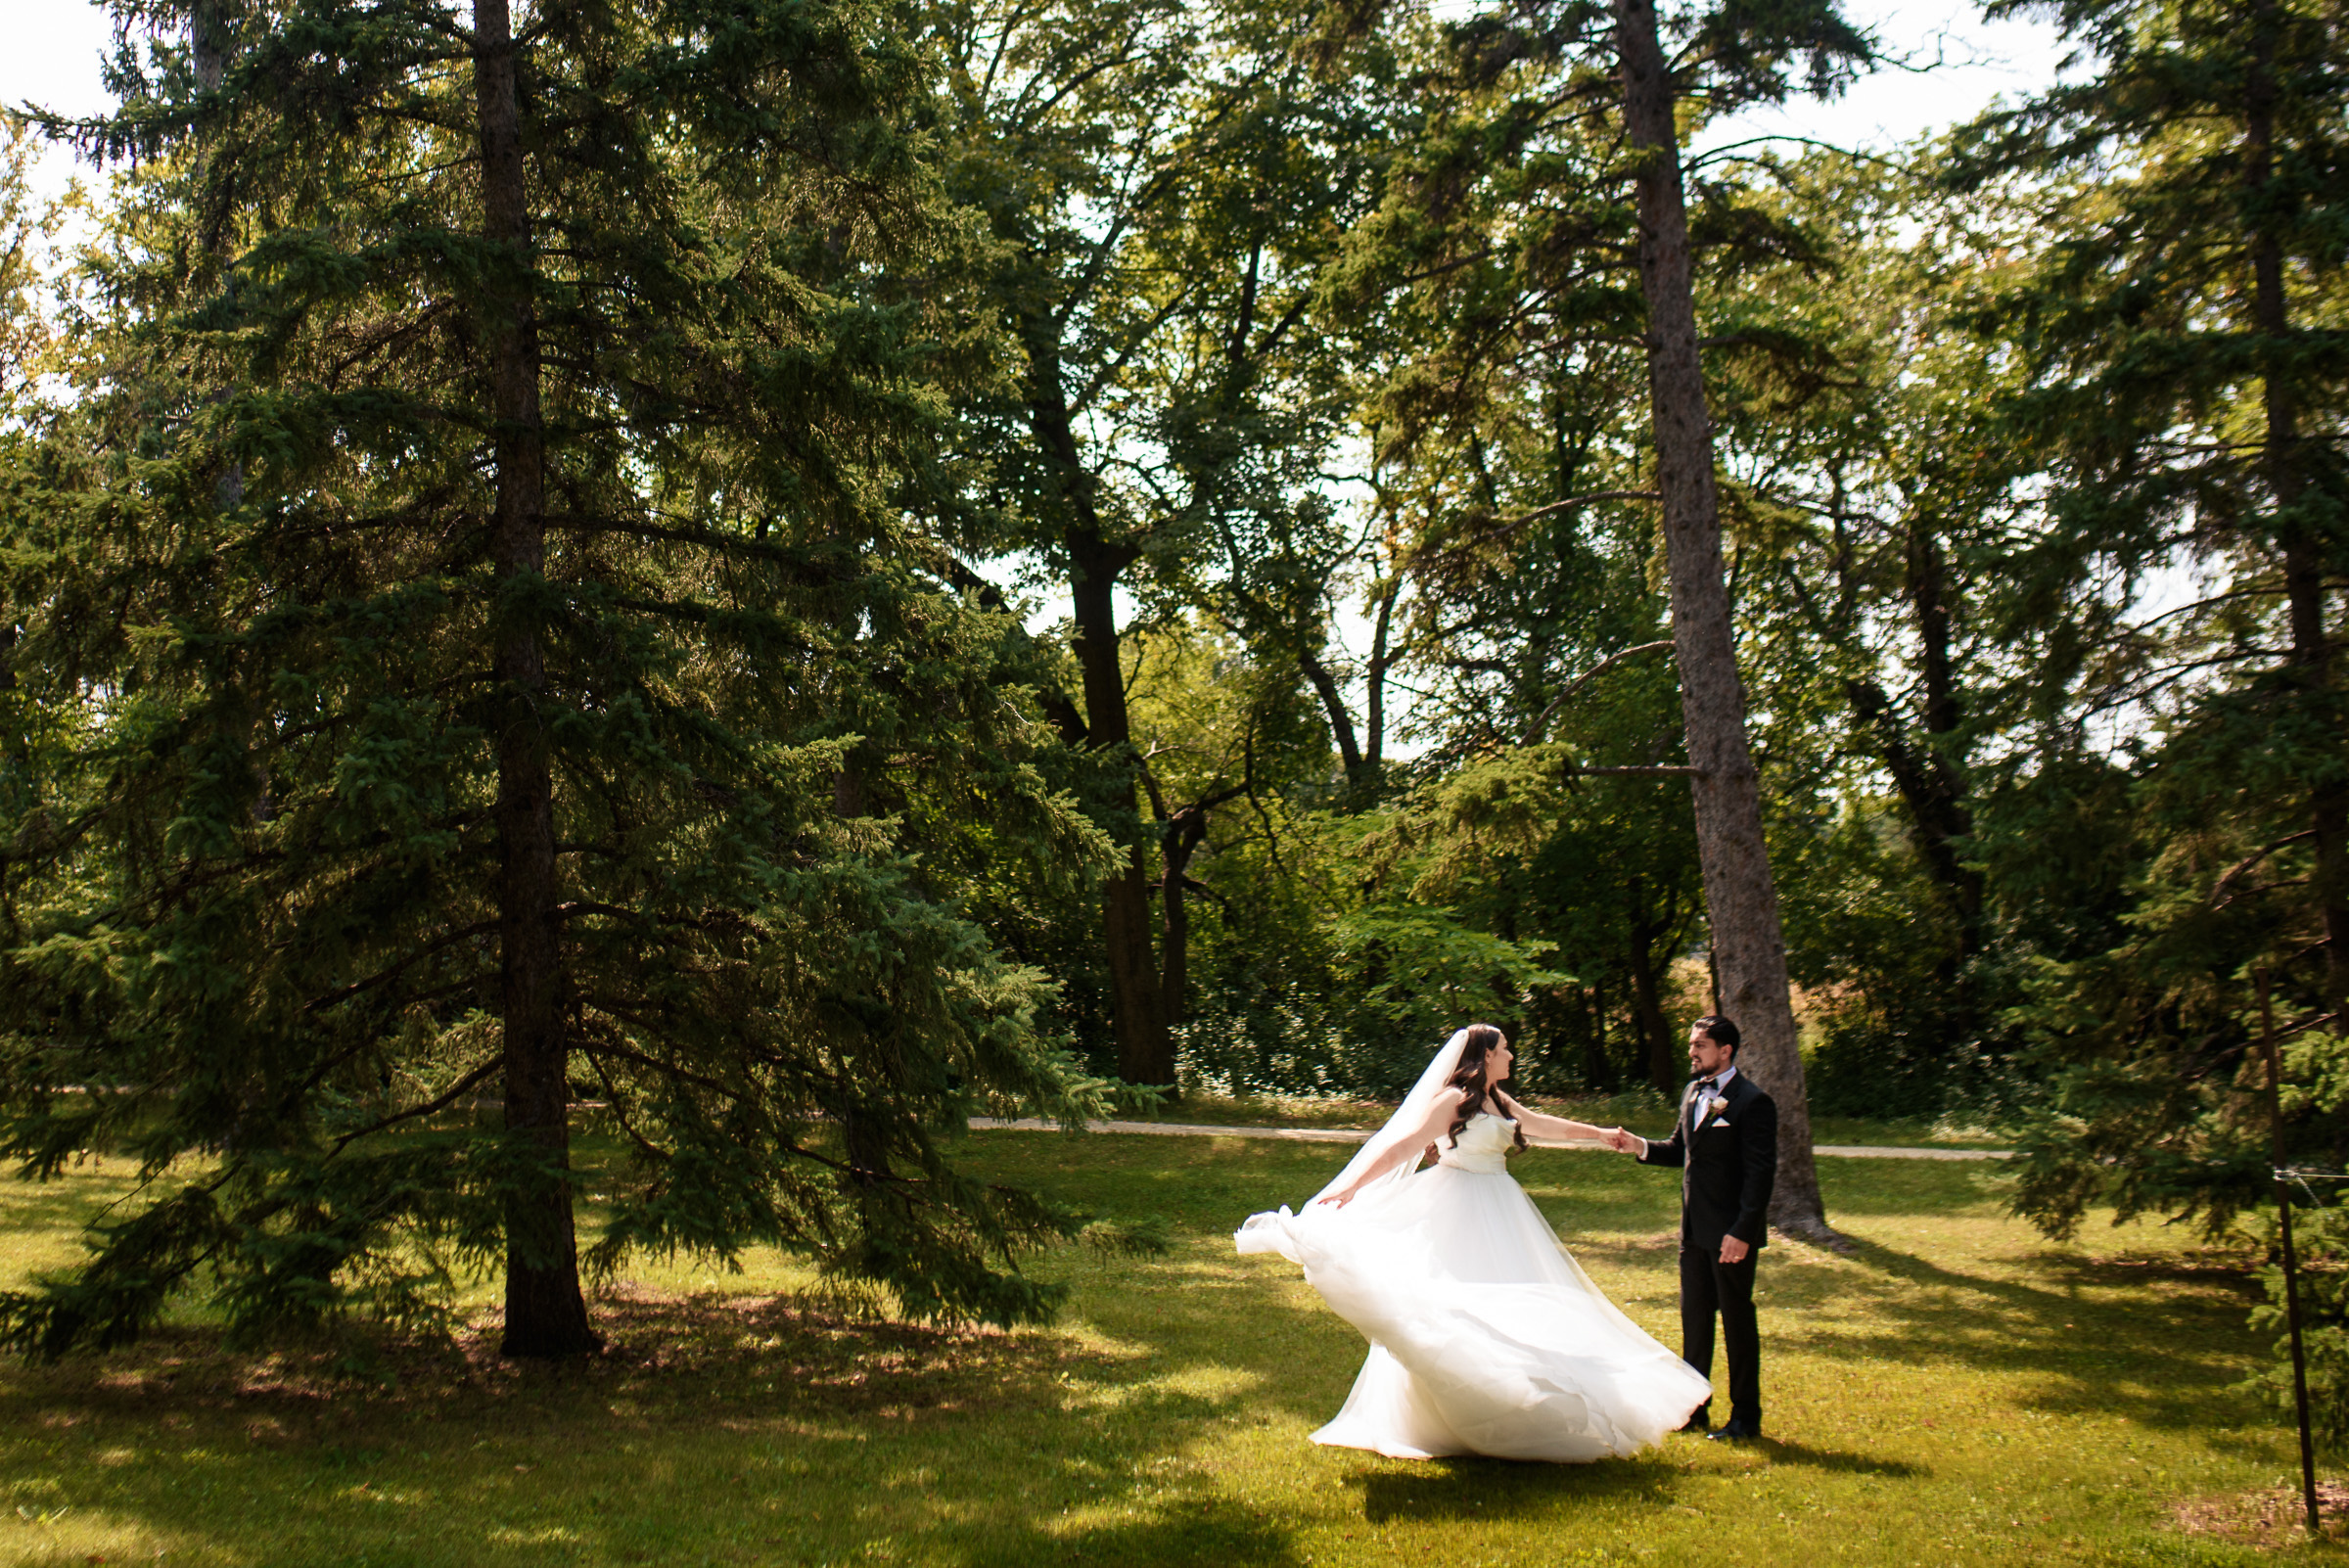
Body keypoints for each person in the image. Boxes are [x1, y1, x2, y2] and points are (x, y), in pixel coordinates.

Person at [1234, 1024, 1711, 1462]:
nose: (1510, 1057)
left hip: (1501, 1207)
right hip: (1456, 1204)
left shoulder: (1501, 1102)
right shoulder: (1451, 1101)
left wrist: (1602, 1135)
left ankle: (1517, 1405)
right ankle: (1447, 1413)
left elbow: (1549, 1126)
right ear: (1483, 1055)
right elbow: (1403, 1146)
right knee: (1453, 1307)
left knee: (1514, 1305)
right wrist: (1353, 1185)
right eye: (1504, 1050)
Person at [1606, 1013, 1776, 1441]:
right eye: (1691, 1044)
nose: (1692, 1052)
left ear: (1725, 1051)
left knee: (1737, 1323)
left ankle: (1745, 1418)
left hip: (1731, 1235)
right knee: (1695, 1321)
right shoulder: (1692, 1093)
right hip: (1692, 1232)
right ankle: (1693, 1409)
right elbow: (1681, 1149)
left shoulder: (1752, 1102)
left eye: (1700, 1045)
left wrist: (1741, 1232)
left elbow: (1761, 1176)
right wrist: (1638, 1146)